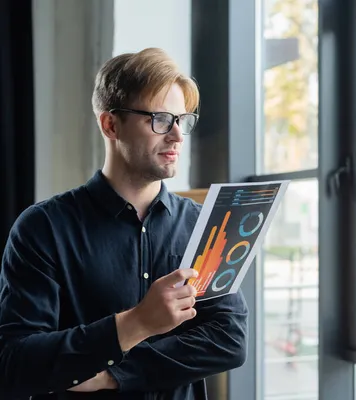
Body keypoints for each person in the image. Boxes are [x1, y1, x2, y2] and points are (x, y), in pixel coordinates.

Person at [0, 48, 248, 399]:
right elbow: (15, 363)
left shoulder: (203, 225)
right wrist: (137, 323)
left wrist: (113, 376)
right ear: (111, 124)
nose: (177, 135)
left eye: (183, 120)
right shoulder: (42, 228)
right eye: (160, 119)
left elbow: (229, 340)